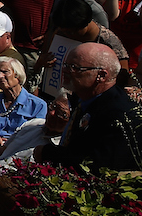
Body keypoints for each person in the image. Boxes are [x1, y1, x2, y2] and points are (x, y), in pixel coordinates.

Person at [35, 43, 142, 171]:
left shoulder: (119, 115)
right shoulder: (80, 98)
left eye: (75, 67)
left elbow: (98, 167)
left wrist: (48, 154)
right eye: (66, 65)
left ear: (102, 75)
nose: (65, 71)